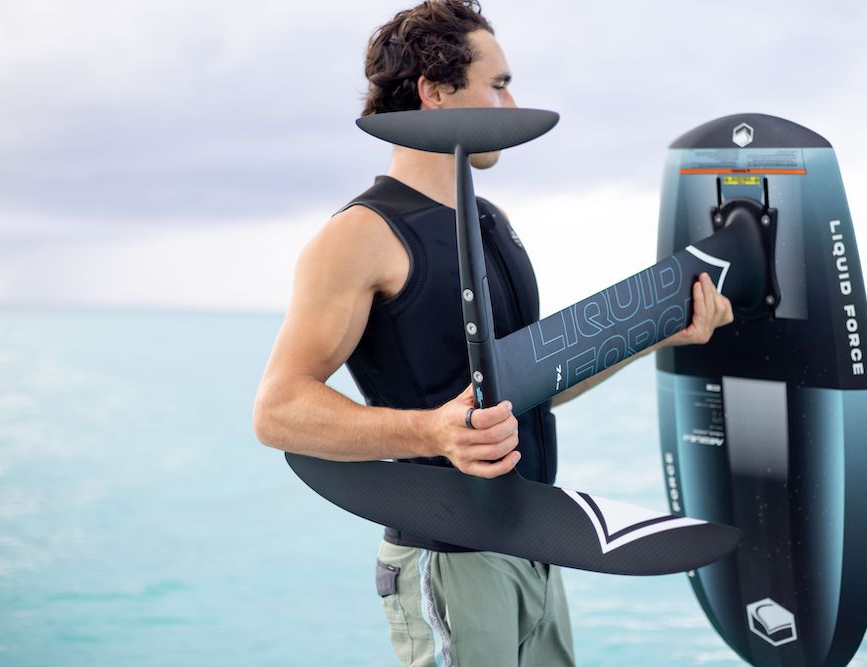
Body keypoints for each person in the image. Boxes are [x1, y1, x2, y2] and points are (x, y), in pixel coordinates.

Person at [252, 2, 733, 665]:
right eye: (499, 83)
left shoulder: (490, 223)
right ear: (435, 92)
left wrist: (659, 334)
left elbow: (527, 389)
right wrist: (429, 432)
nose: (512, 104)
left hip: (537, 543)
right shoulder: (359, 236)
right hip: (447, 559)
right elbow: (278, 410)